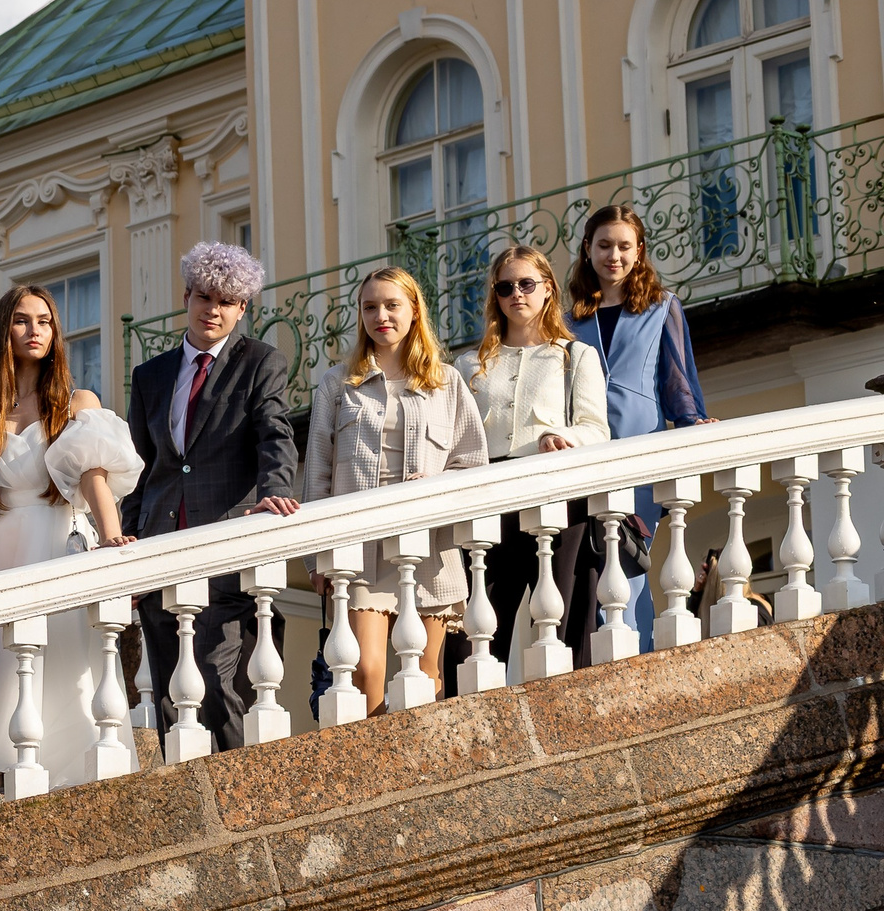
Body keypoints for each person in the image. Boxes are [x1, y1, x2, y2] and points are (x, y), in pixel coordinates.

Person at [0, 285, 143, 786]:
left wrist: (112, 538)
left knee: (59, 663)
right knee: (0, 664)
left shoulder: (76, 404)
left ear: (55, 334)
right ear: (3, 333)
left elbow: (94, 476)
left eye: (45, 321)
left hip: (56, 545)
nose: (34, 330)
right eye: (21, 320)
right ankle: (2, 771)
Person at [123, 242, 302, 752]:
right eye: (205, 296)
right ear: (187, 296)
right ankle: (184, 805)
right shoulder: (150, 376)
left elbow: (275, 432)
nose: (213, 309)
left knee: (219, 682)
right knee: (166, 693)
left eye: (227, 301)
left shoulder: (260, 362)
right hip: (160, 546)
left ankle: (235, 800)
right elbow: (140, 465)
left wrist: (275, 491)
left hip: (225, 544)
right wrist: (127, 534)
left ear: (242, 308)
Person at [304, 267, 490, 710]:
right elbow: (317, 475)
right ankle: (378, 764)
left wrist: (437, 484)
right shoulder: (336, 384)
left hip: (430, 549)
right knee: (365, 671)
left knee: (425, 674)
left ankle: (421, 767)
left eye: (391, 305)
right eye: (370, 307)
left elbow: (473, 463)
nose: (380, 316)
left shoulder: (447, 382)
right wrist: (316, 558)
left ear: (413, 311)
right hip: (361, 551)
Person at [451, 246, 611, 671]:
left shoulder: (575, 356)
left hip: (557, 496)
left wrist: (562, 436)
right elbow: (456, 440)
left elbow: (597, 429)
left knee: (559, 626)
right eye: (505, 287)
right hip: (490, 499)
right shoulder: (468, 364)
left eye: (526, 284)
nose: (516, 294)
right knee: (477, 634)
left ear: (547, 289)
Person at [570, 205, 713, 643]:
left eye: (624, 246)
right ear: (588, 250)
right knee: (593, 564)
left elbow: (676, 377)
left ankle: (636, 652)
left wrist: (692, 422)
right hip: (585, 451)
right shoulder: (568, 317)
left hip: (640, 450)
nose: (614, 255)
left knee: (631, 555)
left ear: (639, 251)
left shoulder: (661, 306)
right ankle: (615, 654)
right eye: (605, 245)